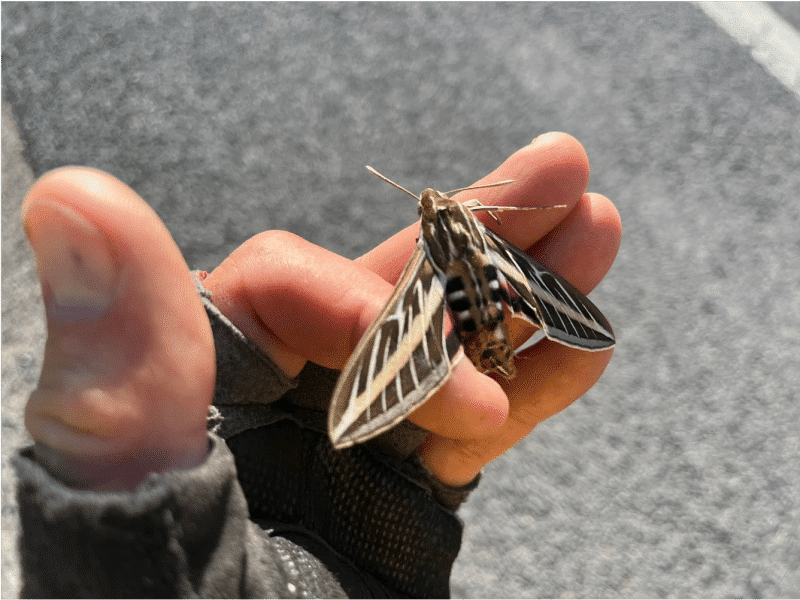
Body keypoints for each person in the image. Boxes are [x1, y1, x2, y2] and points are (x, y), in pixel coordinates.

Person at [13, 132, 621, 598]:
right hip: (491, 282)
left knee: (419, 340)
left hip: (454, 293)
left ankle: (445, 360)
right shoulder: (476, 233)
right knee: (463, 340)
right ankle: (467, 350)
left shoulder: (431, 257)